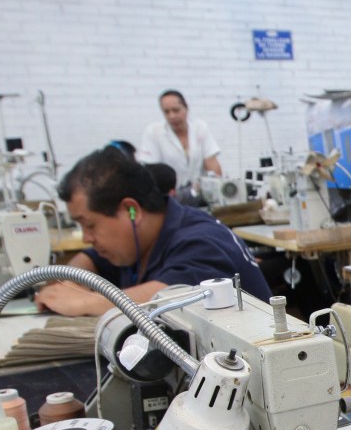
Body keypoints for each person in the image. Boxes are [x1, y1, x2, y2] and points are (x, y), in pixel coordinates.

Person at [35, 147, 269, 316]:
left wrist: (86, 302)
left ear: (130, 211)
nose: (87, 237)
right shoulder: (135, 243)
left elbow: (168, 297)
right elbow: (89, 260)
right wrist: (71, 284)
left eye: (90, 225)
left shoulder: (201, 241)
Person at [137, 90, 222, 186]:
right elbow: (150, 169)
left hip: (199, 191)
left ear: (186, 108)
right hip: (168, 193)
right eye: (166, 112)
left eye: (176, 110)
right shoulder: (153, 132)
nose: (172, 116)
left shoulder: (201, 128)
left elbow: (211, 163)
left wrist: (217, 188)